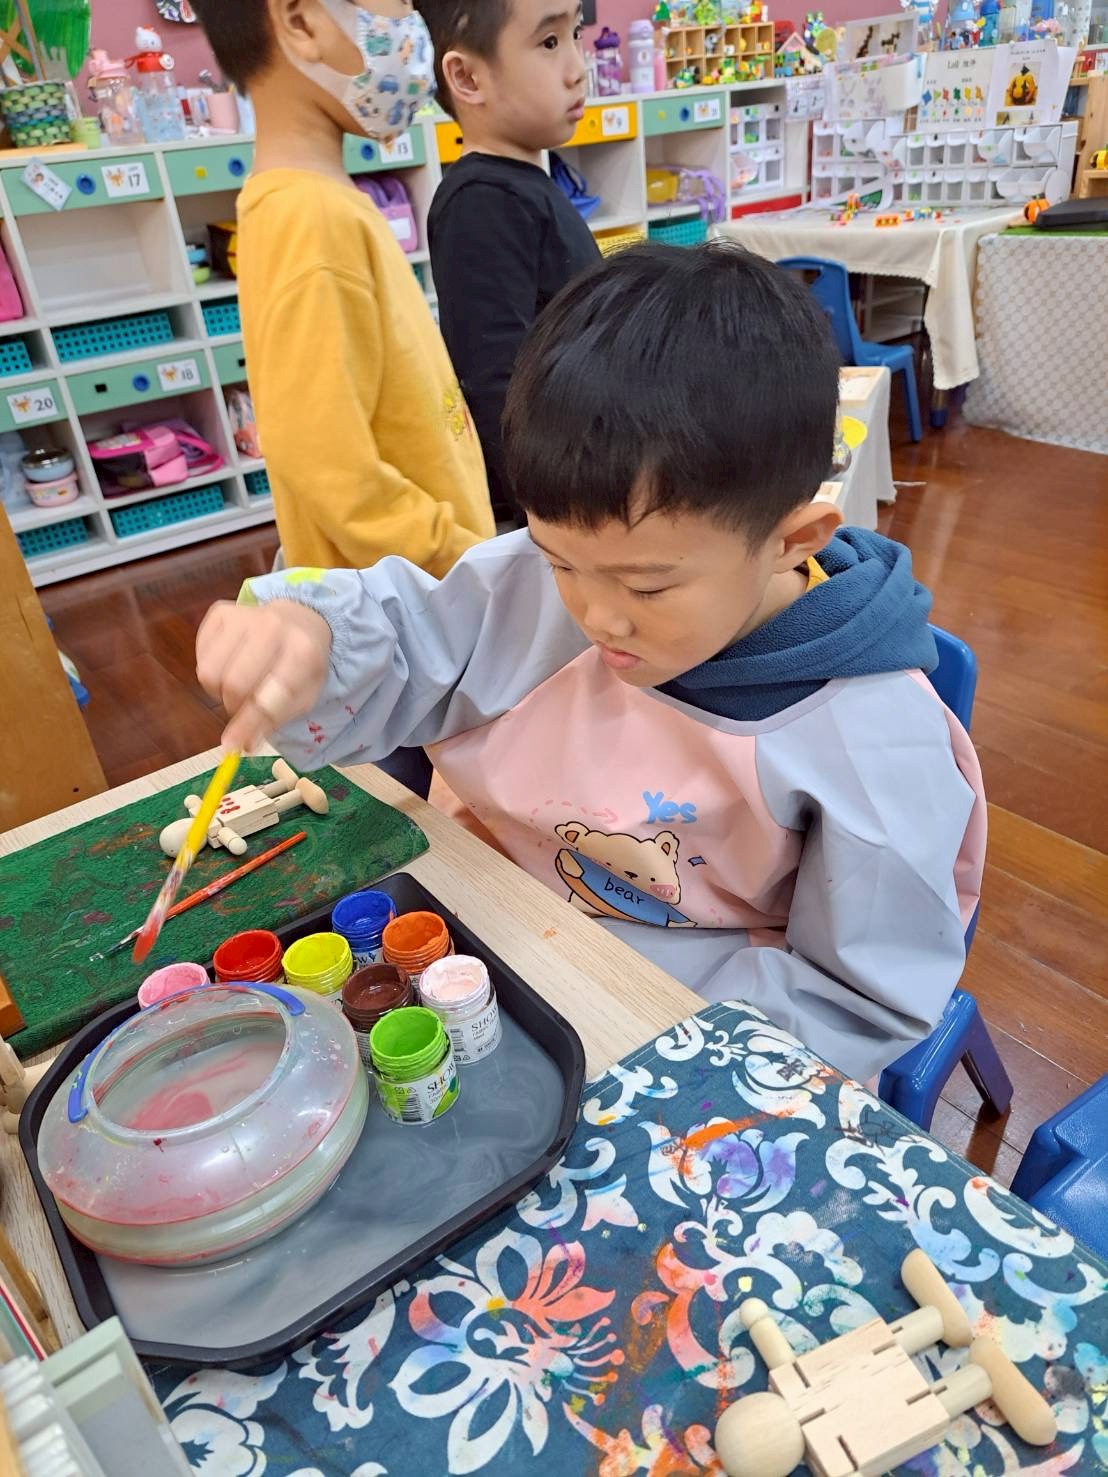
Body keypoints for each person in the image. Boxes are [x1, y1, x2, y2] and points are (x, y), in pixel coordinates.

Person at [194, 244, 986, 1084]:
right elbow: (413, 641)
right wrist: (315, 639)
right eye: (559, 559)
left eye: (647, 585)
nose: (595, 614)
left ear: (794, 540)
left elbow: (849, 997)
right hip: (483, 938)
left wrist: (644, 1035)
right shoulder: (551, 578)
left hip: (675, 1026)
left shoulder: (872, 741)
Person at [190, 0, 495, 576]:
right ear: (301, 22)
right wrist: (466, 563)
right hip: (413, 597)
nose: (410, 28)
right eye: (395, 3)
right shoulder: (311, 219)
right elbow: (330, 467)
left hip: (424, 586)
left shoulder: (316, 206)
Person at [421, 0, 600, 522]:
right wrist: (557, 521)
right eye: (549, 43)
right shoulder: (482, 202)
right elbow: (495, 379)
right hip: (557, 507)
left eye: (576, 35)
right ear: (467, 77)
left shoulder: (523, 186)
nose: (577, 69)